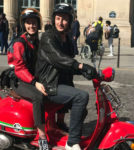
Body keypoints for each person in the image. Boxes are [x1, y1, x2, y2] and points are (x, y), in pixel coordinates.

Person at [35, 3, 97, 150]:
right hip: (48, 84)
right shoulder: (48, 37)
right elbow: (58, 58)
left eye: (64, 19)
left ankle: (68, 135)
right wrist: (80, 66)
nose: (61, 22)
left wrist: (85, 71)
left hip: (61, 83)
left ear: (70, 21)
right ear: (53, 19)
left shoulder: (67, 39)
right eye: (58, 18)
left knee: (82, 109)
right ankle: (71, 143)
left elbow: (67, 64)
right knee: (81, 97)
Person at [9, 8, 49, 150]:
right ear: (23, 25)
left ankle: (55, 125)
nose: (31, 26)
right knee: (38, 96)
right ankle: (42, 136)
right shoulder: (19, 43)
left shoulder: (37, 42)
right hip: (20, 81)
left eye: (34, 23)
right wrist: (35, 83)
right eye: (28, 23)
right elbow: (19, 68)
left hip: (33, 79)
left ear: (38, 25)